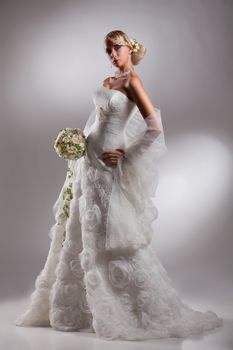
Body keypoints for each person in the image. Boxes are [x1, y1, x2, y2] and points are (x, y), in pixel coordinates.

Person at [14, 30, 223, 341]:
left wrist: (126, 152)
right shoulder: (108, 82)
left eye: (117, 48)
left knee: (107, 229)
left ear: (129, 49)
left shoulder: (132, 83)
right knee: (81, 226)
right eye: (108, 50)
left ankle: (118, 303)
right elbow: (96, 120)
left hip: (109, 165)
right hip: (90, 162)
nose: (112, 54)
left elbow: (154, 127)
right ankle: (77, 307)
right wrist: (79, 144)